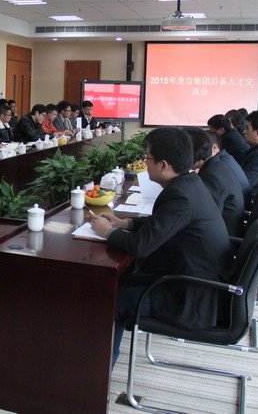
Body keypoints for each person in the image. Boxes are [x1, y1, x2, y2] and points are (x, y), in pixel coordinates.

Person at [89, 127, 232, 365]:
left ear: (164, 165)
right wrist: (126, 223)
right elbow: (162, 223)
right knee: (121, 281)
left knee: (112, 301)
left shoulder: (180, 196)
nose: (145, 162)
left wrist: (108, 232)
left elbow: (141, 246)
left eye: (148, 158)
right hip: (188, 280)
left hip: (190, 299)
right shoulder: (189, 184)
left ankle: (99, 372)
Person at [186, 128, 245, 237]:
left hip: (224, 237)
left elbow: (205, 216)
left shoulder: (211, 175)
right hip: (226, 230)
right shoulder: (217, 165)